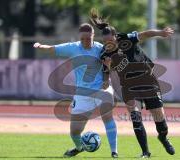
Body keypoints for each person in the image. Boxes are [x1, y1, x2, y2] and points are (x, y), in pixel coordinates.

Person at [90, 9, 175, 158]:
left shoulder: (127, 39)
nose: (107, 44)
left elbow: (146, 34)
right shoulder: (104, 54)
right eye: (105, 42)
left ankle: (163, 137)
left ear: (116, 37)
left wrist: (160, 33)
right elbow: (106, 72)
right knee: (135, 116)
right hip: (129, 86)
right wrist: (105, 79)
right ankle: (145, 152)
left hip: (147, 80)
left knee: (159, 117)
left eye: (110, 41)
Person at [33, 23, 118, 158]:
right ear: (79, 37)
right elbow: (52, 48)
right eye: (83, 38)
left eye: (88, 38)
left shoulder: (101, 49)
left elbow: (111, 65)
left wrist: (108, 74)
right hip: (82, 93)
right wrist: (40, 46)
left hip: (101, 88)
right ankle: (79, 148)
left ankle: (114, 152)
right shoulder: (73, 48)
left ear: (93, 36)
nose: (85, 41)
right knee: (74, 132)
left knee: (107, 115)